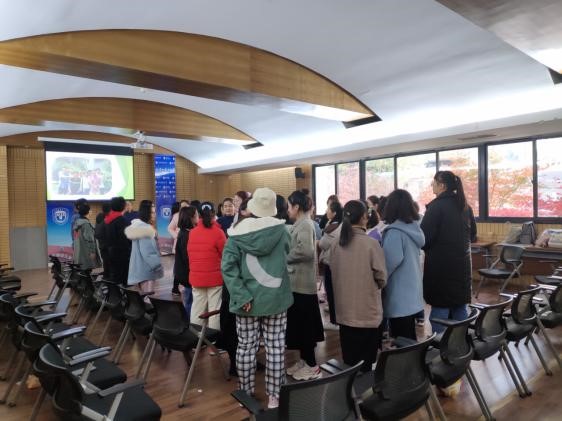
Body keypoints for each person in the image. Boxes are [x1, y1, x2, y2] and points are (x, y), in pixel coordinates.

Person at [221, 187, 293, 409]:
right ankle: (275, 396)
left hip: (246, 302)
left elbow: (228, 267)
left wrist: (241, 295)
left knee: (246, 347)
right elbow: (287, 254)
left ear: (251, 207)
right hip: (276, 299)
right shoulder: (282, 231)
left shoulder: (236, 234)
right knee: (276, 347)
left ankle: (246, 392)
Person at [329, 200, 387, 372]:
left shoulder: (336, 243)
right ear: (364, 218)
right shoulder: (371, 244)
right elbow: (382, 278)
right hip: (367, 312)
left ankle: (350, 388)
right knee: (366, 364)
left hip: (344, 312)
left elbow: (331, 268)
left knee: (350, 362)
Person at [421, 171, 477, 333]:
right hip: (462, 267)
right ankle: (460, 343)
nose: (432, 185)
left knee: (440, 309)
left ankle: (440, 345)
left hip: (441, 268)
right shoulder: (465, 206)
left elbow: (424, 239)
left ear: (442, 185)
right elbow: (473, 235)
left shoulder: (436, 207)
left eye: (434, 183)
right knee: (460, 307)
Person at [285, 190, 324, 381]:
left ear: (297, 207)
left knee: (306, 329)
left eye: (289, 206)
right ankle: (304, 361)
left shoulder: (306, 224)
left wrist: (285, 257)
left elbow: (307, 251)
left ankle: (312, 366)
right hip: (297, 284)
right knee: (300, 328)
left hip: (303, 286)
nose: (287, 209)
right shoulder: (300, 224)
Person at [381, 189, 425, 340]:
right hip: (412, 292)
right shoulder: (413, 228)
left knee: (402, 341)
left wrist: (378, 280)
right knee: (409, 337)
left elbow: (389, 263)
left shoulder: (395, 232)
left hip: (398, 296)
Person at [188, 201, 226, 330]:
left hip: (196, 277)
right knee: (215, 310)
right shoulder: (218, 232)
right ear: (214, 214)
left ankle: (196, 336)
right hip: (215, 278)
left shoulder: (192, 232)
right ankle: (213, 338)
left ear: (199, 215)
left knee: (197, 308)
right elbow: (225, 255)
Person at [125, 200, 163, 295]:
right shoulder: (145, 229)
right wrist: (157, 266)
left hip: (140, 268)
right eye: (152, 213)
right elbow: (148, 252)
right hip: (147, 270)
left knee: (143, 296)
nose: (155, 215)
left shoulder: (139, 226)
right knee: (148, 297)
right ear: (147, 213)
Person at [317, 200, 343, 328]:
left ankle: (334, 321)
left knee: (331, 292)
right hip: (339, 262)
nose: (326, 211)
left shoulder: (333, 227)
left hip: (330, 262)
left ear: (334, 213)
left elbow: (322, 244)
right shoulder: (342, 224)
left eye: (328, 209)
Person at [174, 206, 198, 316]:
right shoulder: (186, 235)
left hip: (184, 274)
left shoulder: (184, 232)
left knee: (189, 300)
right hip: (187, 275)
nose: (198, 217)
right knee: (190, 301)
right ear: (191, 218)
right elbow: (187, 257)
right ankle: (188, 322)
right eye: (196, 215)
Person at [105, 196, 132, 285]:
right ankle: (124, 292)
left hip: (111, 250)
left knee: (115, 275)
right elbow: (126, 237)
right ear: (122, 206)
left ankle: (115, 292)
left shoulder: (108, 219)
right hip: (122, 252)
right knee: (124, 277)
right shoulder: (122, 220)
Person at [73, 203, 100, 271]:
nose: (91, 212)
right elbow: (90, 239)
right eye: (90, 210)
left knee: (81, 271)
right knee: (87, 271)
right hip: (86, 253)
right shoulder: (86, 224)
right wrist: (92, 251)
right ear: (87, 212)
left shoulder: (77, 222)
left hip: (79, 252)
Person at [95, 202, 112, 278]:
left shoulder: (99, 216)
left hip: (101, 243)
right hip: (108, 244)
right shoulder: (108, 218)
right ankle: (108, 277)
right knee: (109, 262)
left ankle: (106, 275)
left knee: (105, 260)